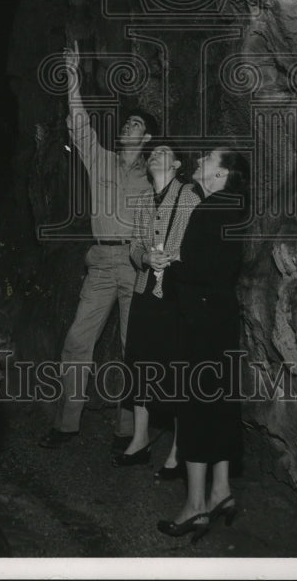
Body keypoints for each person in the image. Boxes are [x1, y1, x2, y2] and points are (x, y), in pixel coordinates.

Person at [39, 40, 158, 450]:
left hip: (136, 263)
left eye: (137, 127)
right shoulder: (101, 159)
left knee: (133, 347)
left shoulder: (154, 178)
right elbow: (79, 123)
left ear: (147, 141)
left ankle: (127, 430)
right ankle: (66, 422)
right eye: (128, 124)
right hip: (101, 262)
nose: (128, 128)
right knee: (77, 340)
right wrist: (72, 76)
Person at [157, 147, 249, 543]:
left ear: (223, 173)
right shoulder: (236, 207)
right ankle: (220, 490)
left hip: (200, 321)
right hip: (223, 318)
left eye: (208, 160)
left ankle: (195, 505)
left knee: (194, 406)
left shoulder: (209, 209)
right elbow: (221, 265)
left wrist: (171, 264)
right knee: (220, 402)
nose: (199, 161)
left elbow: (198, 270)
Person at [113, 145, 200, 471]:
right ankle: (139, 439)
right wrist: (144, 257)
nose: (154, 155)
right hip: (145, 290)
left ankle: (178, 449)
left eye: (163, 152)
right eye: (152, 153)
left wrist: (175, 257)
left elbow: (198, 244)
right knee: (140, 364)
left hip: (176, 293)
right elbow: (135, 244)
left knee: (175, 367)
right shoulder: (143, 200)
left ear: (177, 164)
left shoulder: (190, 196)